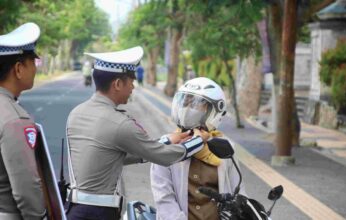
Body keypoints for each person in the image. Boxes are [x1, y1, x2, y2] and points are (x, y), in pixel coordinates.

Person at [65, 46, 209, 220]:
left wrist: (167, 140)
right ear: (117, 84)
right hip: (99, 213)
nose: (133, 87)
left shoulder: (76, 113)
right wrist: (198, 141)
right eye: (131, 81)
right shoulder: (120, 123)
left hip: (73, 210)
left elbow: (111, 157)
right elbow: (163, 157)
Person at [151, 77, 246, 220]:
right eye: (185, 102)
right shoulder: (166, 148)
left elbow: (239, 195)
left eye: (196, 104)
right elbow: (164, 201)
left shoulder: (225, 148)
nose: (187, 108)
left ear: (214, 111)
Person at [0, 23, 46, 219]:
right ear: (19, 69)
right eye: (32, 62)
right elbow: (26, 188)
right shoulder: (15, 118)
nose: (35, 69)